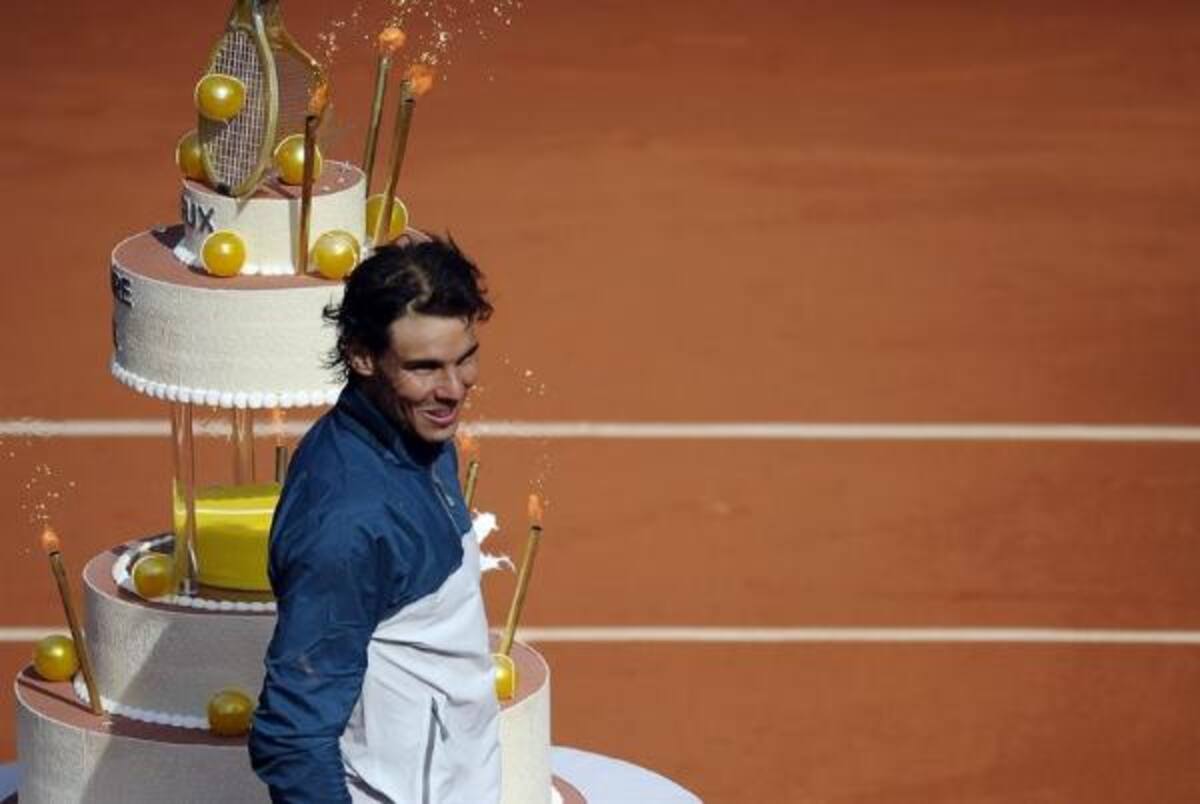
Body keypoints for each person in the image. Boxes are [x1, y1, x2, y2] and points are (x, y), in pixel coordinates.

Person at [249, 235, 500, 803]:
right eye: (424, 367)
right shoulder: (346, 522)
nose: (453, 389)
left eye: (465, 358)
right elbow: (292, 736)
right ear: (362, 356)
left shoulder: (420, 433)